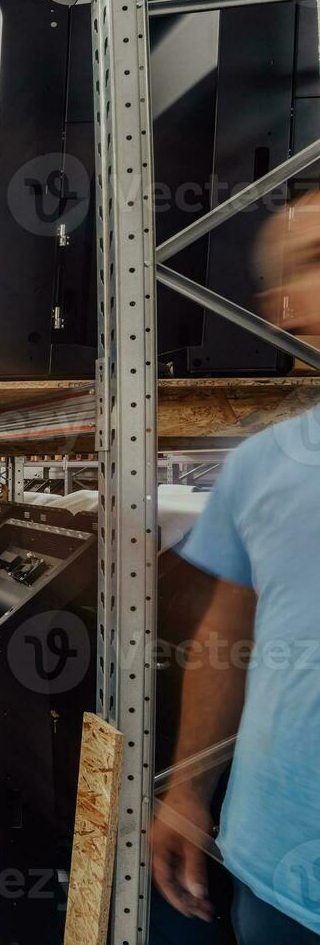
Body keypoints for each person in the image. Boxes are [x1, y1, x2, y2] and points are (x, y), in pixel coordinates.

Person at [153, 190, 320, 941]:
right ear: (281, 304)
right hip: (274, 874)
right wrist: (186, 792)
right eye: (315, 261)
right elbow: (225, 637)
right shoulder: (258, 467)